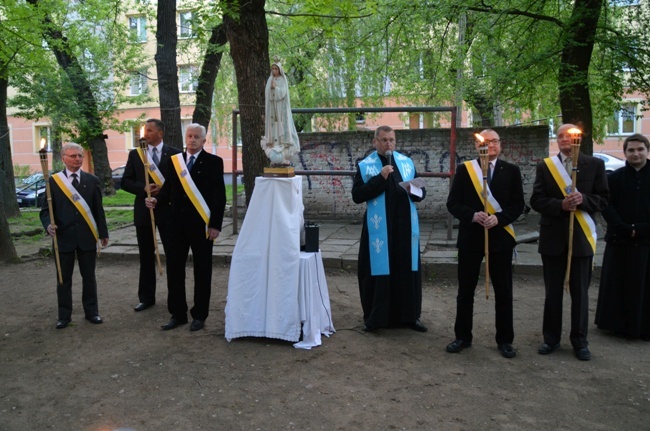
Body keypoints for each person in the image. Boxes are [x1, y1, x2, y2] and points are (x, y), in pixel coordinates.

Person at [530, 123, 609, 361]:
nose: (565, 139)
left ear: (579, 139)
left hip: (582, 237)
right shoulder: (546, 166)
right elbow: (536, 200)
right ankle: (551, 338)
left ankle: (579, 340)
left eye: (570, 136)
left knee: (580, 293)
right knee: (552, 292)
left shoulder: (595, 164)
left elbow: (603, 199)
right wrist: (560, 205)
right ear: (557, 140)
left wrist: (583, 199)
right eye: (561, 136)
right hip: (553, 237)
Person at [446, 129, 525, 358]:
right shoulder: (465, 170)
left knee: (504, 291)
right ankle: (462, 336)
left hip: (500, 238)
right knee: (465, 291)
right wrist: (473, 215)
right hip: (471, 238)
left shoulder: (511, 171)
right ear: (477, 146)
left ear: (500, 145)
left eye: (494, 142)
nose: (489, 145)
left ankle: (505, 340)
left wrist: (498, 218)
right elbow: (453, 203)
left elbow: (518, 205)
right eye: (485, 142)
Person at [146, 123, 226, 331]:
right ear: (185, 138)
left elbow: (219, 197)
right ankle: (178, 313)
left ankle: (199, 314)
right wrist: (157, 201)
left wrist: (215, 225)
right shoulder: (176, 162)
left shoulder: (214, 162)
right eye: (189, 136)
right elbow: (169, 189)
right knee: (174, 269)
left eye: (196, 137)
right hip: (176, 225)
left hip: (201, 226)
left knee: (202, 270)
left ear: (203, 141)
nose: (192, 139)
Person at [351, 125, 427, 332]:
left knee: (406, 270)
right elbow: (357, 196)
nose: (388, 144)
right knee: (379, 272)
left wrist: (413, 189)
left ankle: (410, 316)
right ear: (375, 142)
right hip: (379, 230)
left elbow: (422, 193)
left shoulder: (406, 163)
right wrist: (380, 178)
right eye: (384, 140)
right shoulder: (366, 166)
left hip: (405, 229)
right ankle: (376, 318)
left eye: (391, 140)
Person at [40, 143, 109, 329]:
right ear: (63, 158)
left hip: (87, 236)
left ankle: (92, 312)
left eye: (80, 156)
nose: (78, 159)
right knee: (64, 278)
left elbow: (97, 209)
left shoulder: (92, 180)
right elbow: (45, 211)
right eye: (73, 156)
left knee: (89, 276)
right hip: (63, 237)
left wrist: (103, 233)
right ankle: (64, 315)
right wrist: (48, 225)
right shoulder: (53, 182)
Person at [122, 118, 181, 312]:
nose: (144, 134)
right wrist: (143, 187)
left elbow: (179, 184)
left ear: (160, 134)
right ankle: (146, 297)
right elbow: (126, 181)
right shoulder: (136, 154)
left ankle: (175, 298)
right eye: (144, 130)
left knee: (172, 254)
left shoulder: (174, 154)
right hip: (144, 210)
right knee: (146, 255)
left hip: (167, 211)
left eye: (149, 131)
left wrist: (161, 194)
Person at [595, 134, 650, 340]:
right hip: (621, 239)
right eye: (631, 150)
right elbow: (606, 206)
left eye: (640, 149)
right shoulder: (614, 178)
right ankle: (617, 324)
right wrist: (625, 228)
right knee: (619, 283)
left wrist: (641, 229)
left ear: (647, 150)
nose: (636, 153)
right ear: (625, 152)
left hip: (646, 241)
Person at [262, 62, 300, 165]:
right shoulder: (270, 80)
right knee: (273, 129)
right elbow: (267, 94)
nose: (274, 71)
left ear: (279, 70)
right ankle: (274, 152)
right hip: (272, 110)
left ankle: (282, 153)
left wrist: (276, 88)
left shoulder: (283, 80)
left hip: (280, 110)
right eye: (273, 69)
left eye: (276, 69)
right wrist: (271, 89)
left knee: (281, 129)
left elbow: (283, 93)